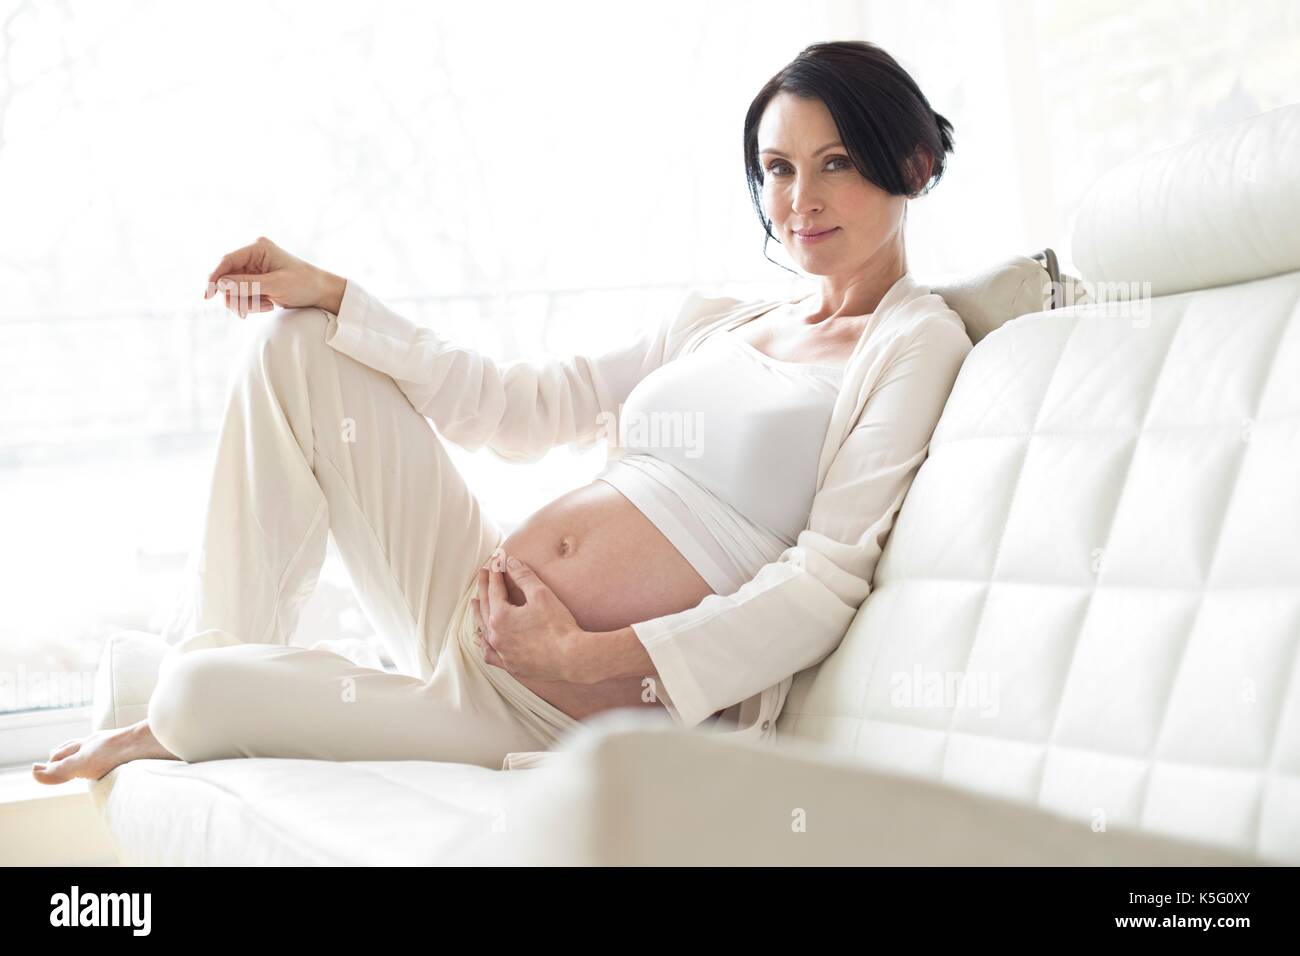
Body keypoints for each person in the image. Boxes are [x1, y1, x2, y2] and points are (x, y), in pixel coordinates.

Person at [33, 40, 971, 783]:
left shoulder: (913, 342)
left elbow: (821, 585)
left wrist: (584, 655)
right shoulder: (718, 322)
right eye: (776, 168)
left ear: (915, 165)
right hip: (469, 590)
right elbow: (524, 407)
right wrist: (336, 293)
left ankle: (187, 694)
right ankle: (219, 666)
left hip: (549, 699)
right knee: (296, 345)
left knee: (191, 698)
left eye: (834, 163)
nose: (798, 201)